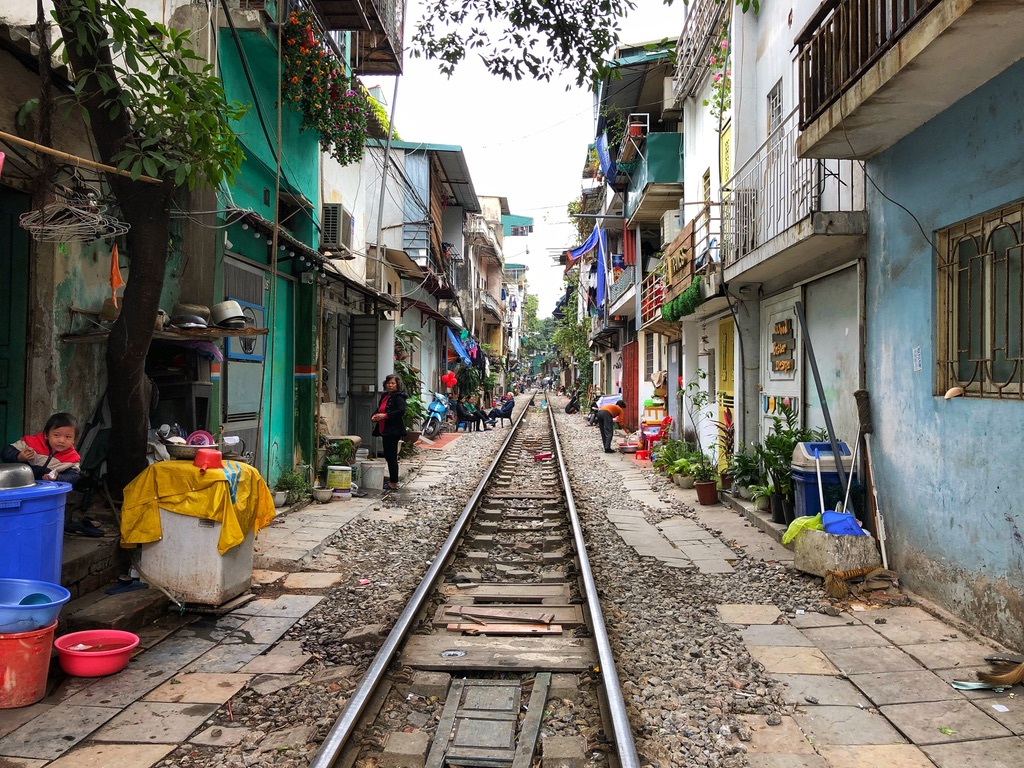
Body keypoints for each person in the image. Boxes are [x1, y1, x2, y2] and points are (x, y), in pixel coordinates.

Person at [2, 412, 98, 536]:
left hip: (46, 496)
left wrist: (58, 478)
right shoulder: (31, 443)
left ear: (74, 439)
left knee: (41, 524)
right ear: (46, 435)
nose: (61, 440)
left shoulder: (72, 457)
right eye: (56, 435)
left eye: (68, 437)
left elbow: (73, 476)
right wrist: (19, 456)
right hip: (21, 489)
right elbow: (6, 452)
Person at [370, 374, 407, 491]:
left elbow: (401, 411)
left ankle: (393, 483)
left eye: (393, 383)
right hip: (384, 429)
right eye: (388, 383)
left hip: (393, 430)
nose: (390, 385)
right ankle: (392, 481)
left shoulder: (399, 397)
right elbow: (379, 409)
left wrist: (385, 416)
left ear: (397, 385)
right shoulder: (385, 396)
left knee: (391, 457)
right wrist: (375, 416)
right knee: (388, 456)